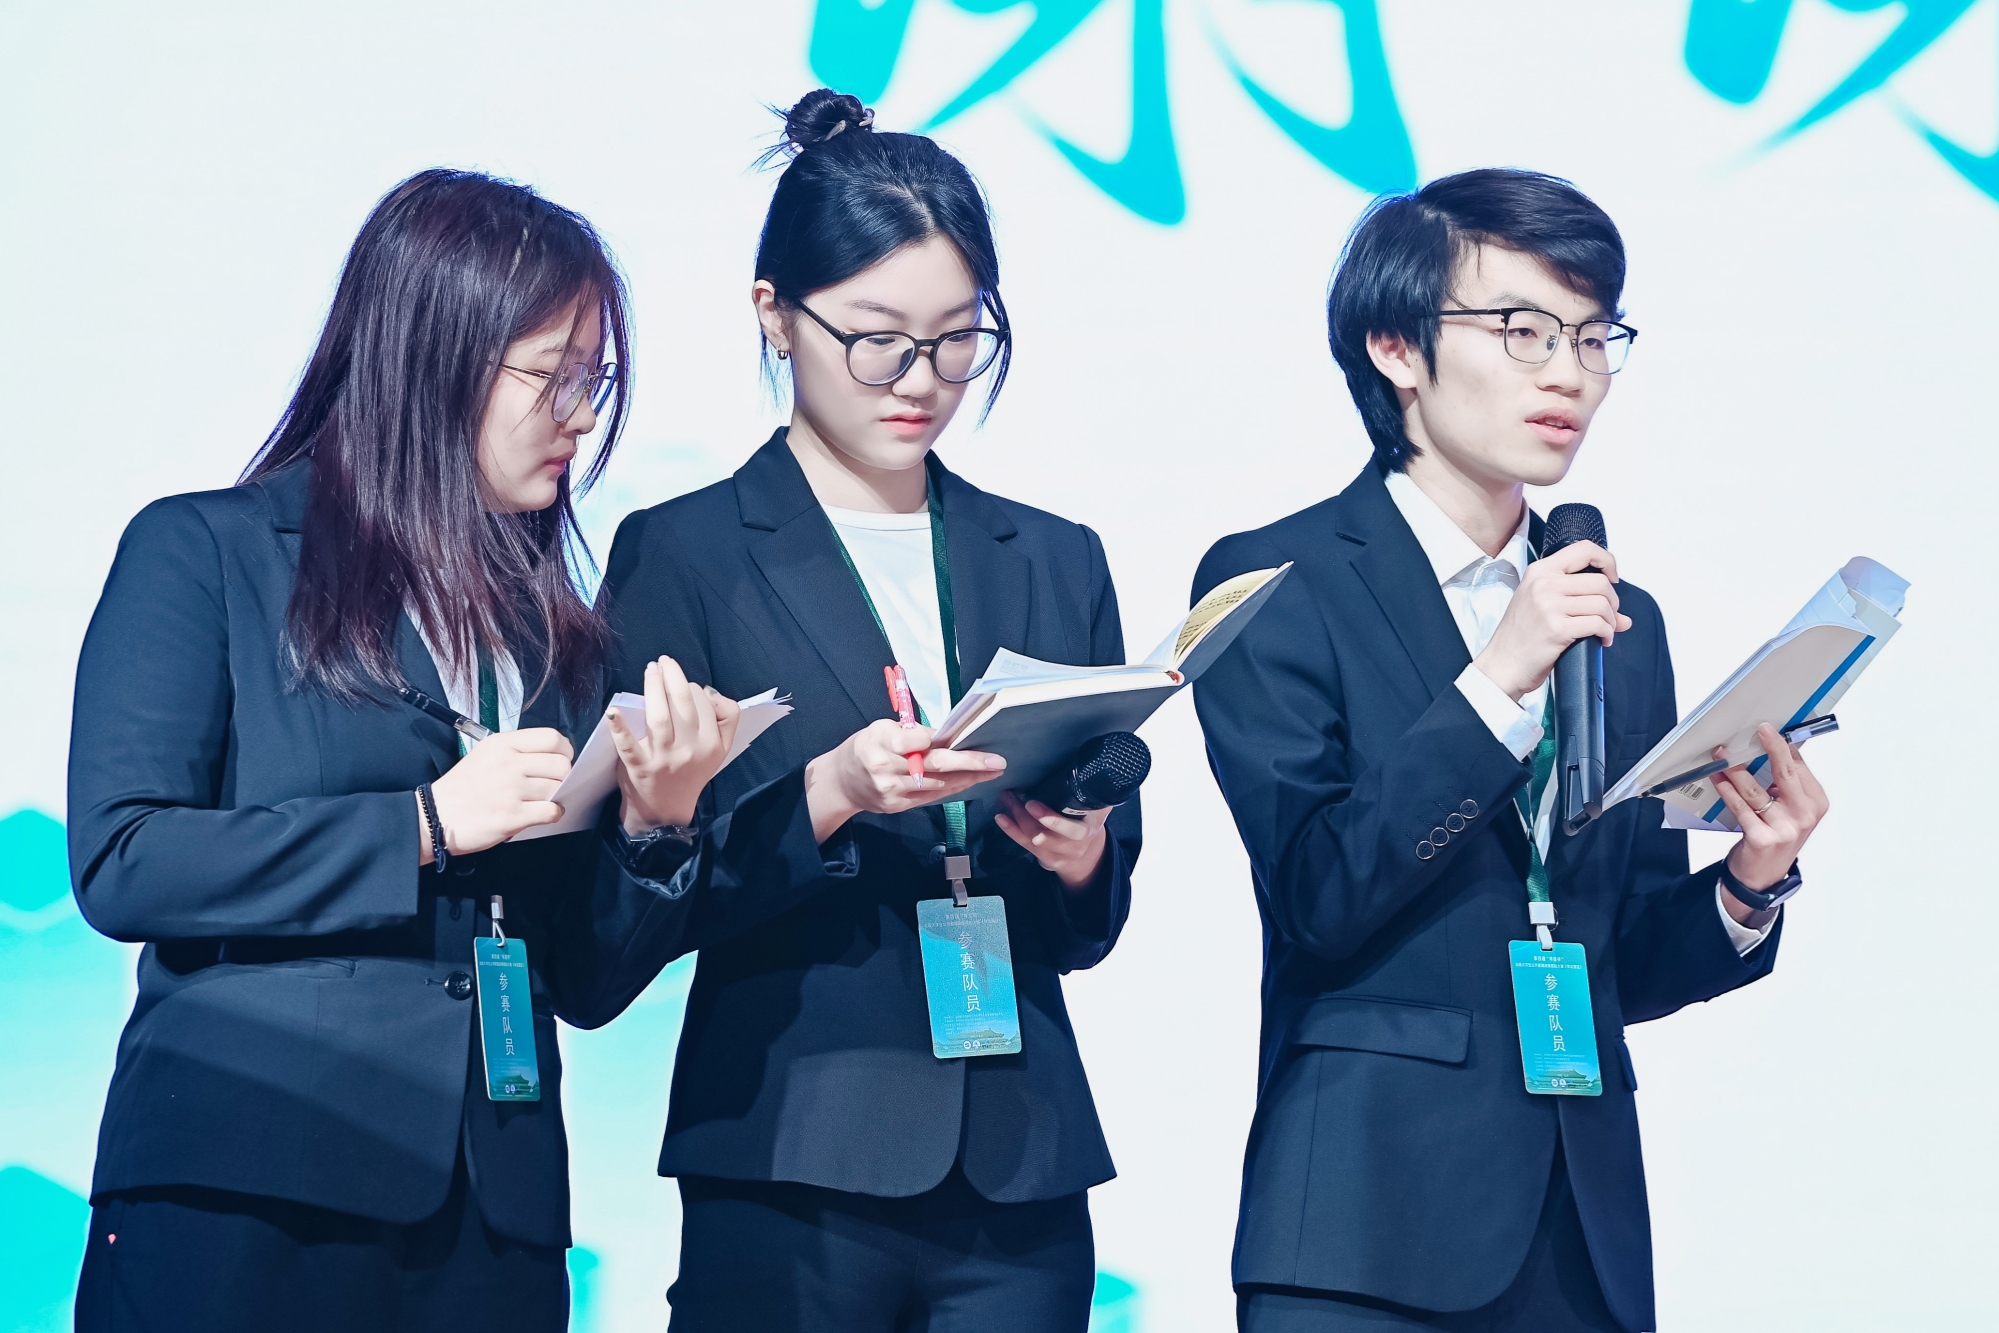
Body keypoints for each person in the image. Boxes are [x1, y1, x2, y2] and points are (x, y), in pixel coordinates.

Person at [67, 169, 847, 1331]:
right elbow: (124, 860)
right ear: (434, 357)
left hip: (493, 1213)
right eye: (555, 377)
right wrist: (421, 826)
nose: (582, 417)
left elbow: (580, 979)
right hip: (254, 1185)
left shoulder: (554, 629)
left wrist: (655, 825)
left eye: (597, 382)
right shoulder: (209, 552)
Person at [1193, 169, 1831, 1333]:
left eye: (1592, 337)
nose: (1568, 374)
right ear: (1395, 346)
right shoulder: (1275, 581)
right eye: (1523, 332)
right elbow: (1320, 894)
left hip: (1578, 1233)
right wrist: (1495, 682)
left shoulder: (1617, 620)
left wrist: (1751, 879)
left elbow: (1623, 958)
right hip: (1361, 1228)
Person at [597, 89, 1141, 1332]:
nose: (922, 381)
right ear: (775, 314)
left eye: (958, 340)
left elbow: (1094, 920)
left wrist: (1079, 858)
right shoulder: (685, 554)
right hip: (793, 1146)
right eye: (878, 341)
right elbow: (637, 904)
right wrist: (829, 794)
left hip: (1021, 1164)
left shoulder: (1053, 557)